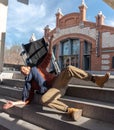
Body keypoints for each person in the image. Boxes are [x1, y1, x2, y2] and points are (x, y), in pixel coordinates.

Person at [3, 35, 110, 121]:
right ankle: (71, 110)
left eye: (25, 68)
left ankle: (96, 80)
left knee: (68, 68)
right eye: (22, 71)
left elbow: (49, 55)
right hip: (53, 91)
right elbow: (26, 100)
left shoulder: (39, 67)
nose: (24, 70)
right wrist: (13, 103)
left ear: (28, 67)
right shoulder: (30, 84)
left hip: (59, 82)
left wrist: (50, 42)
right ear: (24, 75)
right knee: (44, 99)